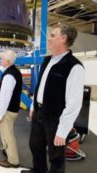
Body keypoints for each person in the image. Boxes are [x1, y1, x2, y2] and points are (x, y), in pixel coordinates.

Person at [21, 23, 84, 173]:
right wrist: (32, 107)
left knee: (56, 155)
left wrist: (63, 130)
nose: (48, 39)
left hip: (55, 118)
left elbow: (74, 103)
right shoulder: (47, 60)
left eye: (52, 35)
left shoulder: (74, 66)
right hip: (39, 112)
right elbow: (39, 86)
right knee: (35, 145)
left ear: (63, 38)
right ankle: (39, 170)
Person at [0, 50, 22, 168]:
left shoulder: (9, 75)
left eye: (2, 59)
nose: (0, 61)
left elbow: (5, 97)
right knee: (7, 134)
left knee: (8, 135)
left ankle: (13, 160)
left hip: (7, 111)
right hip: (11, 109)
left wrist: (0, 115)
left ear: (8, 61)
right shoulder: (13, 72)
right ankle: (8, 153)